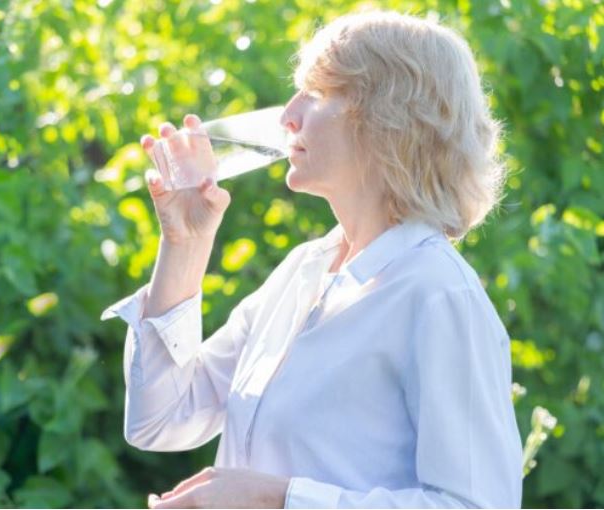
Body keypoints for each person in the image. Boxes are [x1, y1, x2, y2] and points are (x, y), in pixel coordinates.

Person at [101, 10, 523, 509]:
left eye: (318, 92)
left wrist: (278, 499)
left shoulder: (440, 296)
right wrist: (185, 243)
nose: (287, 115)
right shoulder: (305, 271)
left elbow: (477, 504)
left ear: (388, 120)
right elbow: (159, 419)